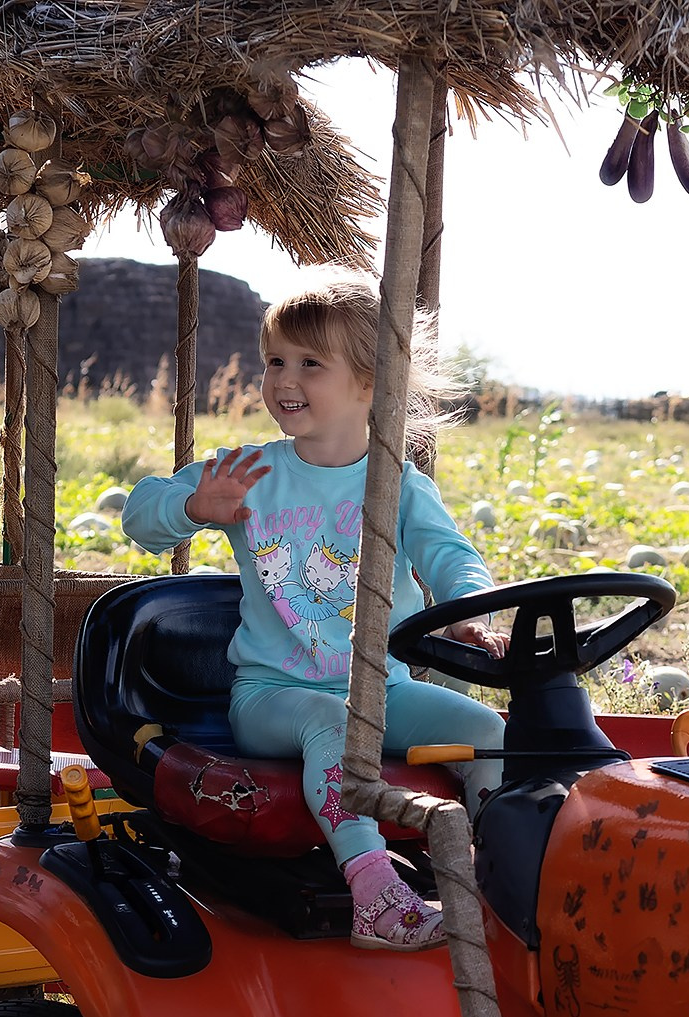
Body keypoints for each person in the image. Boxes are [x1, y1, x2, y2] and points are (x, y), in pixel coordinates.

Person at [121, 275, 507, 951]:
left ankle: (493, 873)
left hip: (383, 690)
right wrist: (190, 508)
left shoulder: (398, 486)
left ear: (369, 384)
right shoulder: (250, 474)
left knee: (489, 731)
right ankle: (374, 893)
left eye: (309, 363)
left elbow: (451, 556)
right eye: (276, 360)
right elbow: (140, 512)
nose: (283, 379)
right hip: (276, 695)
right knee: (334, 725)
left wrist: (467, 612)